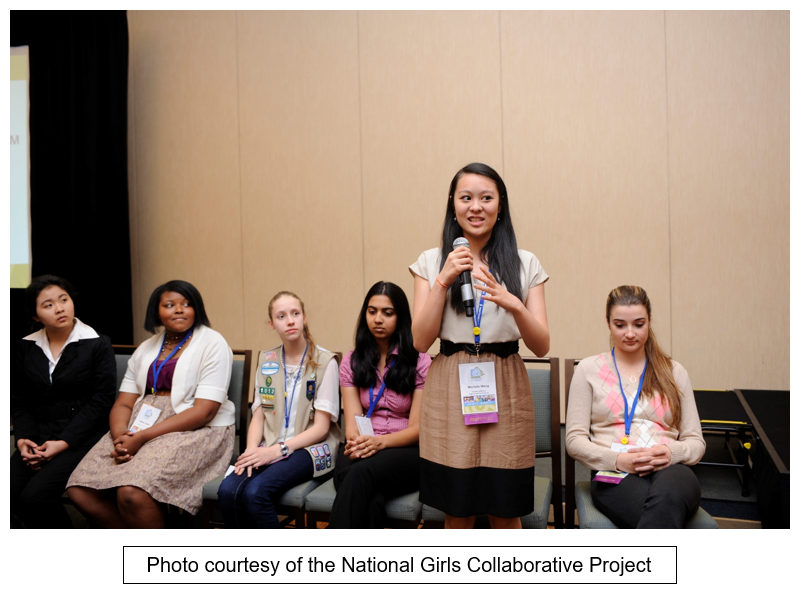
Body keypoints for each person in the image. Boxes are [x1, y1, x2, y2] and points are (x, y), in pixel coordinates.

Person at [409, 162, 550, 529]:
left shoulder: (525, 262)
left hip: (505, 380)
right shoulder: (430, 261)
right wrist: (442, 280)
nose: (476, 207)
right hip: (450, 379)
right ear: (453, 205)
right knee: (458, 506)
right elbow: (421, 342)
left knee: (506, 506)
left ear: (500, 205)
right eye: (466, 198)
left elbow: (541, 345)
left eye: (486, 198)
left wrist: (514, 304)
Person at [66, 280, 235, 528]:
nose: (179, 309)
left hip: (196, 429)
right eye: (170, 305)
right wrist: (120, 436)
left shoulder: (213, 343)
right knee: (80, 489)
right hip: (138, 425)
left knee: (131, 492)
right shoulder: (147, 347)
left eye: (187, 304)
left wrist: (142, 437)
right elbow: (124, 403)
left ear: (196, 309)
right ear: (157, 312)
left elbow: (204, 411)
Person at [565, 285, 706, 528]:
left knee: (669, 496)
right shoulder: (588, 370)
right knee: (663, 510)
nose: (630, 333)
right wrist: (618, 460)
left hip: (670, 469)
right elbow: (574, 441)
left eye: (638, 324)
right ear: (608, 323)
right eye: (620, 325)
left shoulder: (674, 371)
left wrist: (672, 453)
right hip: (614, 473)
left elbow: (696, 442)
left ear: (650, 321)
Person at [217, 291, 340, 528]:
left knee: (255, 493)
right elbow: (259, 415)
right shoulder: (267, 359)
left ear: (304, 317)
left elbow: (322, 429)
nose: (290, 320)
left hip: (311, 449)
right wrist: (252, 451)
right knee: (228, 491)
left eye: (295, 313)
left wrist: (277, 451)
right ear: (271, 324)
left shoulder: (326, 362)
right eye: (281, 316)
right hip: (270, 444)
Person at [11, 275, 117, 528]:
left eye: (63, 300)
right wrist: (24, 438)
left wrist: (63, 442)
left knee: (35, 497)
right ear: (35, 315)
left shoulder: (96, 343)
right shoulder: (25, 346)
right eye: (48, 305)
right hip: (38, 433)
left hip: (84, 436)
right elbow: (19, 399)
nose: (59, 308)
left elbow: (101, 401)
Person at [329, 281, 431, 528]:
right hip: (362, 447)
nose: (378, 319)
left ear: (401, 317)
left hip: (405, 451)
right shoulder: (352, 361)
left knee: (357, 475)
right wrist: (361, 445)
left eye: (388, 313)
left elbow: (418, 430)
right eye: (372, 311)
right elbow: (353, 423)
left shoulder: (419, 361)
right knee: (370, 498)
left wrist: (380, 443)